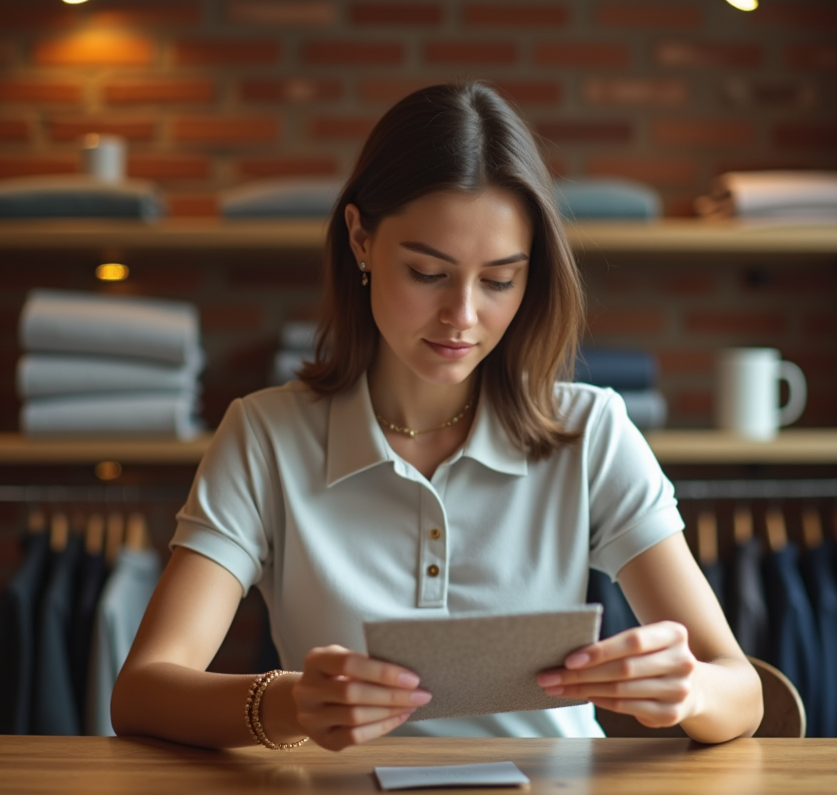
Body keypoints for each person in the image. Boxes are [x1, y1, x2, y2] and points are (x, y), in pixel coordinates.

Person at [111, 82, 762, 751]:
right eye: (428, 273)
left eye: (500, 280)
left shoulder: (591, 432)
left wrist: (691, 690)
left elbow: (742, 690)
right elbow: (140, 692)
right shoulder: (264, 437)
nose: (463, 316)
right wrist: (288, 704)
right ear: (361, 239)